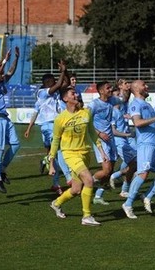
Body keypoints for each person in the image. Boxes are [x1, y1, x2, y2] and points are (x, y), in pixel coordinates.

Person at [48, 86, 106, 226]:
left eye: (76, 93)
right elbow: (55, 141)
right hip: (70, 154)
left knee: (76, 189)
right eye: (72, 93)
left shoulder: (86, 113)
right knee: (89, 180)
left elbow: (92, 132)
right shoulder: (60, 119)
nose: (76, 95)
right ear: (65, 98)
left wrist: (101, 150)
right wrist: (51, 163)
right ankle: (86, 216)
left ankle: (56, 203)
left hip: (85, 153)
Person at [122, 80, 155, 219]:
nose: (146, 87)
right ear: (136, 88)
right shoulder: (135, 104)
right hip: (146, 144)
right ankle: (128, 204)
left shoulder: (148, 105)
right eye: (144, 85)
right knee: (143, 174)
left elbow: (154, 126)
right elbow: (138, 123)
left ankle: (147, 196)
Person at [25, 60, 72, 194]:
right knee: (60, 151)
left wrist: (65, 70)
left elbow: (66, 83)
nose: (56, 82)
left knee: (55, 155)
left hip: (52, 125)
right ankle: (68, 177)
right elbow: (59, 84)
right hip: (49, 125)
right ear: (46, 82)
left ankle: (56, 183)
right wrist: (62, 72)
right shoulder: (42, 92)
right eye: (53, 80)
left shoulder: (52, 93)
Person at [0, 47, 20, 193]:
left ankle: (2, 169)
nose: (2, 74)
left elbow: (11, 71)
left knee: (16, 144)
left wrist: (16, 58)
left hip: (5, 118)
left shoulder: (0, 83)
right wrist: (2, 62)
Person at [87, 81, 119, 205]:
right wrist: (99, 133)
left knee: (110, 171)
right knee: (106, 170)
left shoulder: (112, 101)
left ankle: (98, 196)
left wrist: (124, 88)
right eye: (108, 88)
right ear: (101, 91)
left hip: (110, 139)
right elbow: (86, 121)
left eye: (111, 87)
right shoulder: (94, 104)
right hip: (100, 139)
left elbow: (124, 99)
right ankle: (89, 181)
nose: (110, 89)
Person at [109, 86, 137, 198]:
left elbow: (126, 97)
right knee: (134, 164)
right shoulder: (112, 112)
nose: (120, 97)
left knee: (134, 163)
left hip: (125, 140)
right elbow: (114, 131)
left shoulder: (120, 109)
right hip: (119, 141)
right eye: (117, 96)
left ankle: (116, 177)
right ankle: (122, 186)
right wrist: (127, 134)